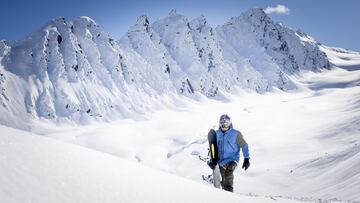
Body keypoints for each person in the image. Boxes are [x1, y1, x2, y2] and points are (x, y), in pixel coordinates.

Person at [207, 114, 250, 192]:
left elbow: (244, 145)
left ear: (230, 123)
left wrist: (246, 159)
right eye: (222, 123)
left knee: (228, 172)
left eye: (226, 122)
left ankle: (228, 193)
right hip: (220, 162)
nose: (224, 125)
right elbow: (213, 148)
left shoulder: (236, 134)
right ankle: (220, 188)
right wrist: (212, 159)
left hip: (232, 160)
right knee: (222, 178)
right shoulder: (217, 134)